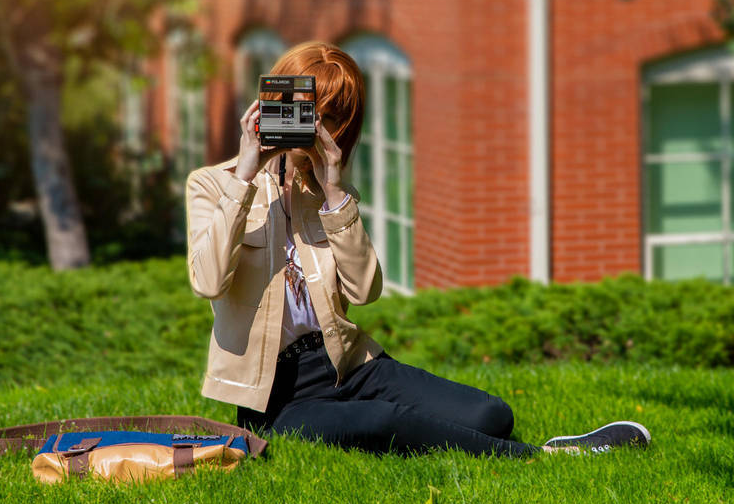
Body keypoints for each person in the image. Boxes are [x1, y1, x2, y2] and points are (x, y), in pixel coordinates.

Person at [185, 41, 650, 457]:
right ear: (273, 104)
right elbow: (207, 281)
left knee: (492, 414)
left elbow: (365, 291)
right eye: (311, 112)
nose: (317, 128)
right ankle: (544, 457)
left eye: (331, 118)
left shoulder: (326, 196)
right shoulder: (212, 185)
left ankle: (496, 441)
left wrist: (334, 192)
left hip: (348, 364)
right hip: (275, 395)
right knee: (385, 423)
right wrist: (244, 175)